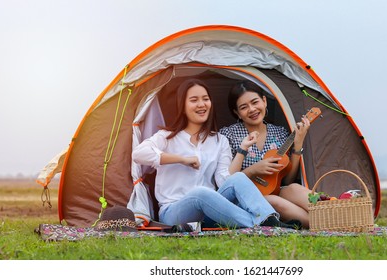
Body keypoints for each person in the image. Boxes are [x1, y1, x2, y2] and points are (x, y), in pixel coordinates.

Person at [132, 78, 292, 229]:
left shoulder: (219, 140)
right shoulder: (167, 137)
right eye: (194, 100)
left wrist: (243, 149)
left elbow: (224, 180)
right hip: (173, 212)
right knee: (200, 193)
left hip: (209, 212)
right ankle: (261, 223)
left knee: (237, 178)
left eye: (205, 99)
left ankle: (268, 218)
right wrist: (182, 159)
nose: (201, 104)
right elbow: (139, 154)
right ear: (182, 105)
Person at [219, 80, 312, 228]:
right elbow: (227, 180)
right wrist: (253, 170)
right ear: (237, 113)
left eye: (255, 102)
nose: (252, 109)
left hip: (274, 190)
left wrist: (298, 143)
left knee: (293, 188)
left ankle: (333, 210)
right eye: (244, 107)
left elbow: (287, 179)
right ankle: (323, 223)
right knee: (273, 201)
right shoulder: (228, 134)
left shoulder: (279, 133)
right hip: (245, 199)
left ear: (264, 101)